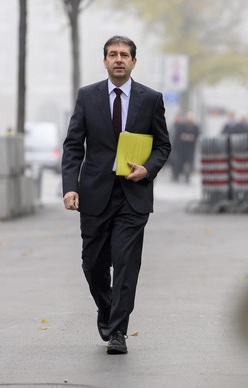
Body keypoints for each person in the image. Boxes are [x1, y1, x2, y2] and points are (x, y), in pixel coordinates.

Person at [61, 35, 171, 355]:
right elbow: (72, 146)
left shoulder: (151, 99)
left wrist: (147, 169)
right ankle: (106, 309)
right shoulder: (87, 96)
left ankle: (118, 331)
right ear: (105, 61)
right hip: (94, 194)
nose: (119, 59)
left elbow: (163, 144)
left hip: (132, 195)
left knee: (125, 263)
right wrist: (70, 186)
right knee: (92, 264)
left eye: (125, 55)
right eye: (113, 54)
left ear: (134, 62)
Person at [171, 111, 200, 183]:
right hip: (182, 149)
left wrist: (192, 137)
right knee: (178, 162)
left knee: (189, 163)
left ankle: (187, 176)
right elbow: (178, 135)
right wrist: (184, 137)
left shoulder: (195, 127)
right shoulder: (182, 126)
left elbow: (197, 135)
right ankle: (176, 175)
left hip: (190, 149)